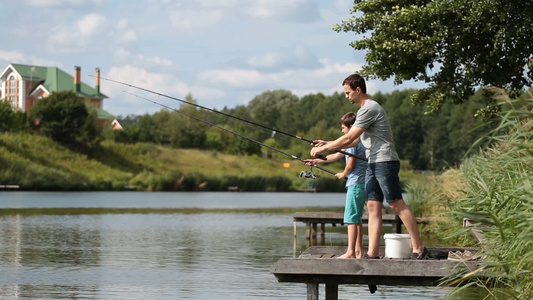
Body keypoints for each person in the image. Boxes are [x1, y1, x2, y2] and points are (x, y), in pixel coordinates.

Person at [310, 73, 428, 259]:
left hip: (385, 160)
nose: (346, 96)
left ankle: (419, 247)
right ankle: (372, 253)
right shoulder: (362, 113)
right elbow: (353, 141)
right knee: (372, 205)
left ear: (358, 90)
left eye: (348, 93)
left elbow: (349, 137)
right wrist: (326, 142)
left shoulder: (369, 108)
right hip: (372, 162)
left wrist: (325, 148)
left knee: (396, 203)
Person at [305, 112, 367, 259]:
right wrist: (317, 161)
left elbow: (350, 163)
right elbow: (337, 155)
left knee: (351, 218)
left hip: (355, 182)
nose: (342, 131)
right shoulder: (357, 140)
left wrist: (343, 174)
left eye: (343, 128)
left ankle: (351, 252)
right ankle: (358, 251)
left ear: (351, 127)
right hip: (361, 182)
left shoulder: (353, 141)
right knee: (357, 218)